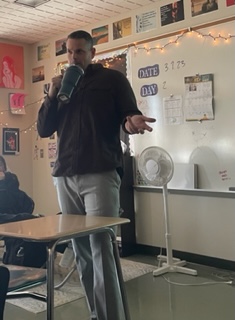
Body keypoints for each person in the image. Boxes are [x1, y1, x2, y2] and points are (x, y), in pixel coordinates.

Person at [37, 30, 156, 320]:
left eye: (80, 51)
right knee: (81, 250)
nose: (74, 57)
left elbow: (128, 116)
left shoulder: (112, 80)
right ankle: (96, 314)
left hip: (100, 171)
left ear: (92, 52)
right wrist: (51, 95)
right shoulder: (61, 84)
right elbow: (43, 129)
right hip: (65, 173)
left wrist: (133, 123)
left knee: (102, 246)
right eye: (69, 52)